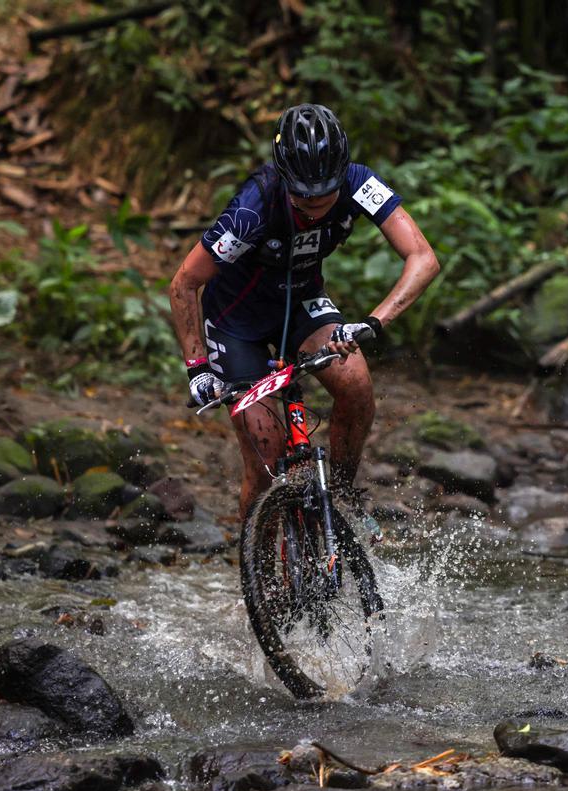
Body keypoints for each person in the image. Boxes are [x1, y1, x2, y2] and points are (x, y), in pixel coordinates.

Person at [168, 103, 439, 522]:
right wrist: (197, 368)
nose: (315, 205)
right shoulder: (252, 209)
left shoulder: (359, 183)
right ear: (284, 179)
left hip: (303, 301)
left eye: (325, 193)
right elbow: (184, 283)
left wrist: (372, 322)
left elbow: (422, 257)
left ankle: (343, 496)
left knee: (355, 383)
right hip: (235, 321)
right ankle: (257, 572)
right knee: (266, 457)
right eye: (303, 195)